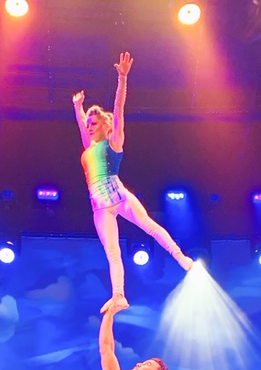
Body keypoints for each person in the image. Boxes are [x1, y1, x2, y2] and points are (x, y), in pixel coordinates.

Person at [73, 51, 194, 313]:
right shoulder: (88, 148)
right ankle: (119, 296)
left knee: (149, 225)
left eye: (94, 123)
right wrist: (77, 108)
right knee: (112, 252)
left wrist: (123, 78)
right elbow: (82, 128)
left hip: (119, 195)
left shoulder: (113, 142)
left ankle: (181, 257)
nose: (90, 126)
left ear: (106, 126)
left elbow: (118, 109)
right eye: (88, 124)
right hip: (100, 206)